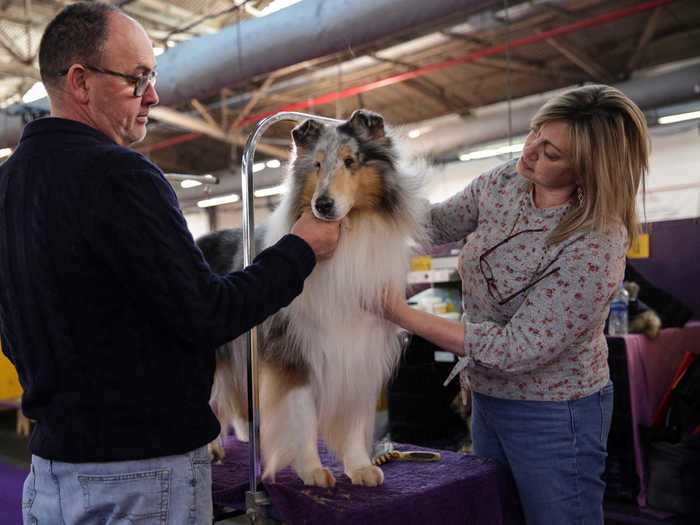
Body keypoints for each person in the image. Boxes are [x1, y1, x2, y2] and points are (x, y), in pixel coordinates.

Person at [0, 2, 340, 524]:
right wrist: (299, 249)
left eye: (151, 77)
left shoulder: (7, 186)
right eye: (137, 79)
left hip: (50, 475)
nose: (153, 96)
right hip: (141, 477)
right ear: (80, 81)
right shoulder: (121, 176)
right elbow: (209, 314)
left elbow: (11, 331)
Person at [384, 84, 649, 524]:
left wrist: (400, 312)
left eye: (551, 153)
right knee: (498, 512)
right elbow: (437, 221)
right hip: (488, 397)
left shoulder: (595, 242)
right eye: (533, 134)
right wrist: (377, 196)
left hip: (554, 414)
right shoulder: (506, 180)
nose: (529, 153)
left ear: (587, 171)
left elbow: (516, 347)